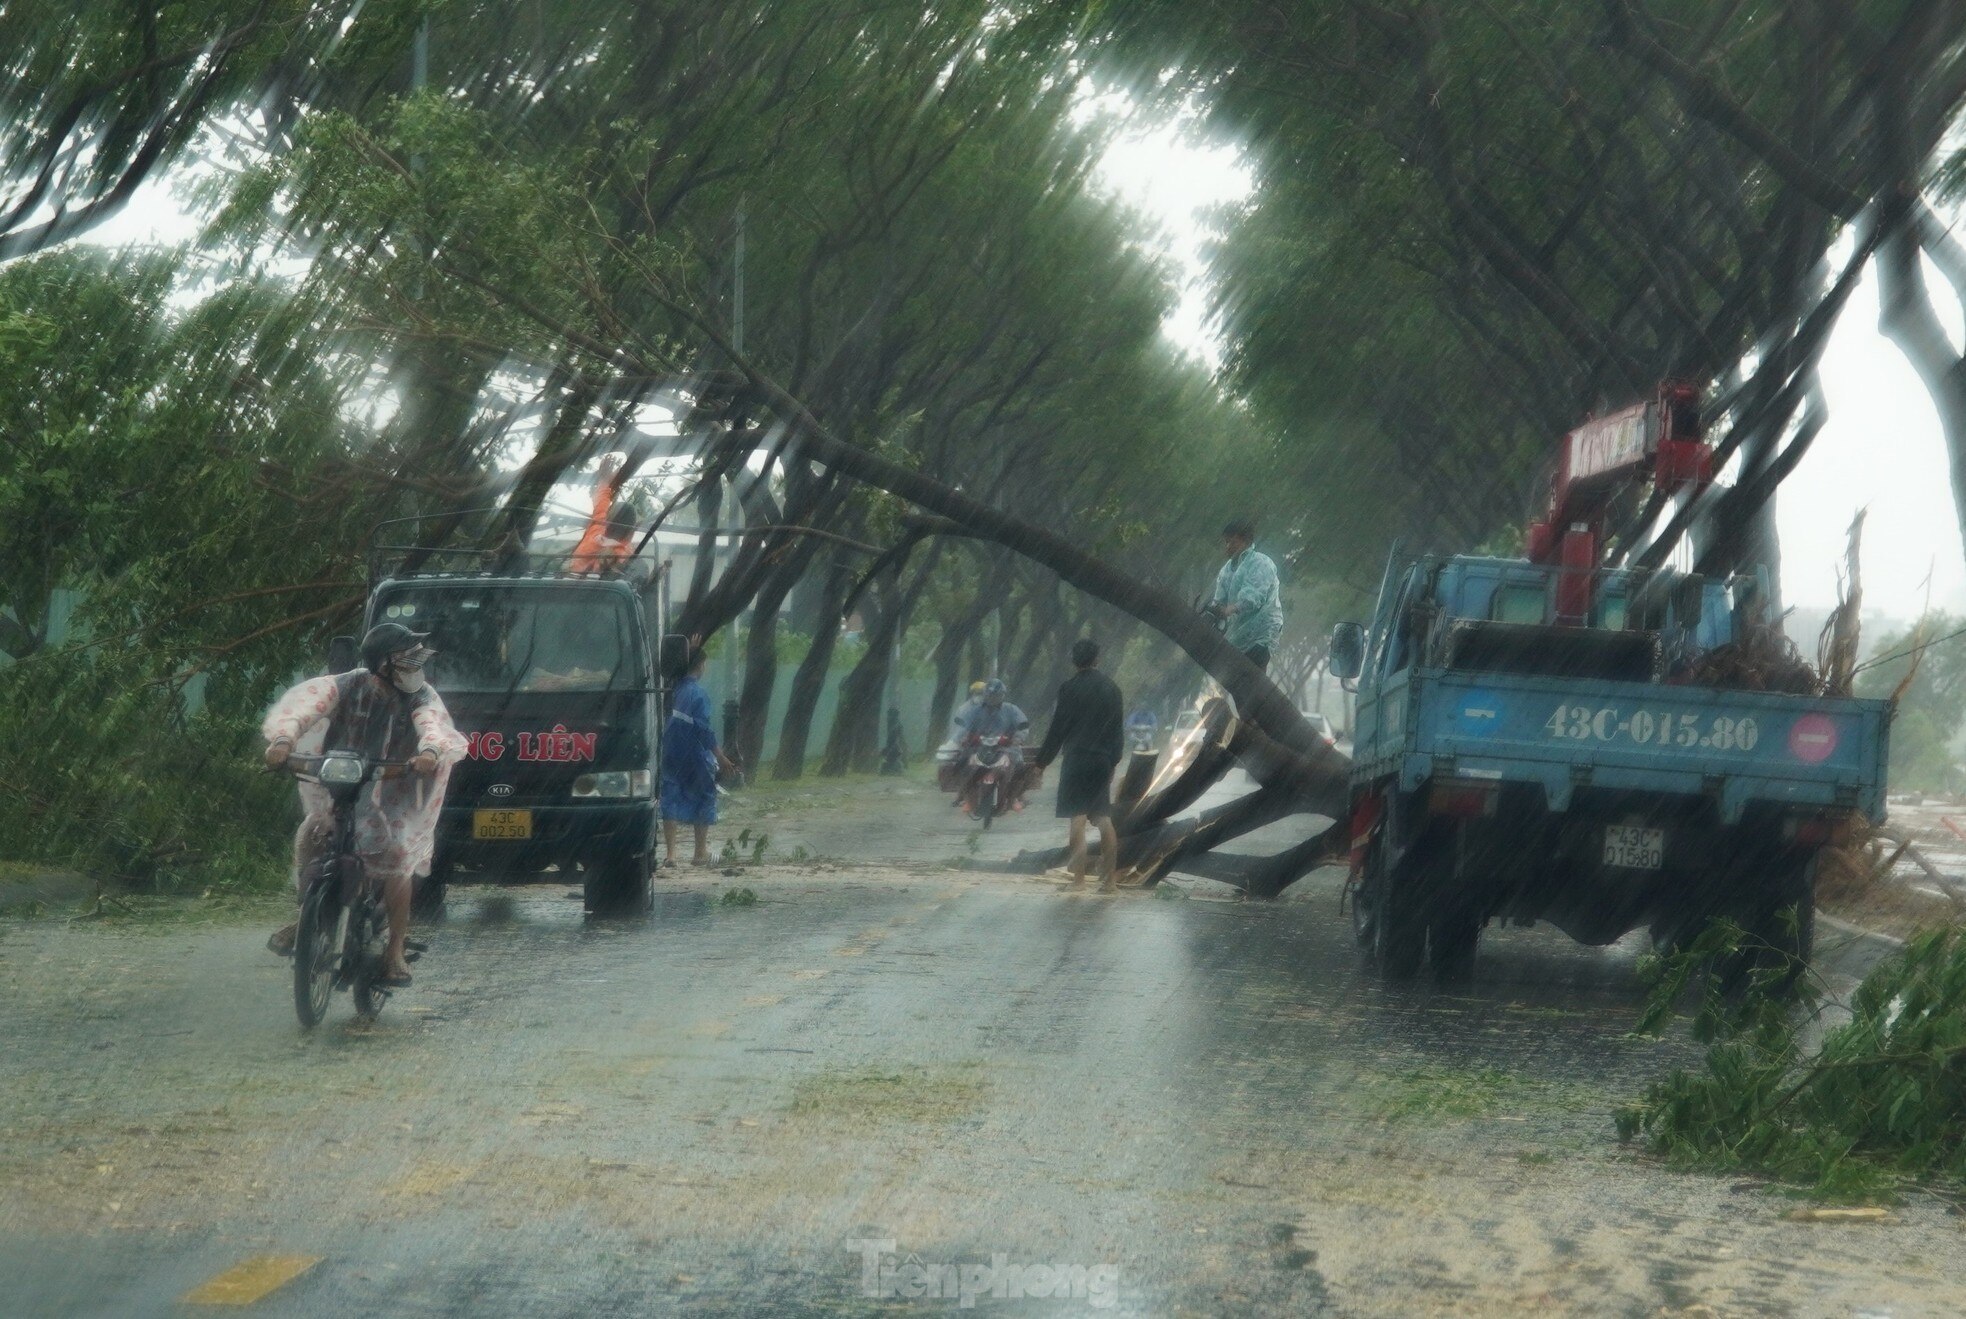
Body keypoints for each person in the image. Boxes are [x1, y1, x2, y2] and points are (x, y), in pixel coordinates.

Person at [262, 623, 468, 987]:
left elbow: (432, 724)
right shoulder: (345, 684)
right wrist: (283, 739)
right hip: (341, 781)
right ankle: (307, 915)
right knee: (312, 830)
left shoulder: (421, 695)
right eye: (405, 660)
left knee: (396, 856)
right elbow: (305, 706)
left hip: (396, 786)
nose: (414, 668)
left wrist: (430, 749)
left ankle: (395, 949)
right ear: (382, 663)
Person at [1033, 639, 1125, 889]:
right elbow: (1118, 731)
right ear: (1097, 659)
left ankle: (1079, 881)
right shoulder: (1112, 689)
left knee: (1077, 818)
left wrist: (1042, 762)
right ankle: (1109, 883)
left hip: (1076, 759)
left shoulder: (1069, 689)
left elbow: (1058, 729)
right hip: (1101, 760)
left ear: (1074, 661)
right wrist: (1113, 760)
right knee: (1104, 818)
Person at [661, 643, 736, 865]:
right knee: (704, 796)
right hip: (694, 753)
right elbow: (704, 730)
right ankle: (700, 853)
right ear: (701, 665)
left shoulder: (672, 690)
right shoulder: (698, 694)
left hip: (670, 751)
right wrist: (721, 758)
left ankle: (671, 855)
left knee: (670, 796)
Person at [1207, 517, 1284, 670]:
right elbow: (1219, 600)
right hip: (1238, 635)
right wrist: (1214, 610)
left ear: (1246, 541)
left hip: (1261, 633)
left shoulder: (1261, 563)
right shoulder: (1226, 570)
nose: (1228, 547)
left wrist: (1230, 609)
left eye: (1232, 542)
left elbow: (1254, 597)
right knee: (1239, 684)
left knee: (1252, 678)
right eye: (1226, 542)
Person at [956, 679, 1030, 810]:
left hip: (1006, 747)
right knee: (962, 763)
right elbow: (964, 726)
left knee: (1019, 766)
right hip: (977, 747)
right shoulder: (974, 710)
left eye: (996, 695)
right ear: (985, 695)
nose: (993, 698)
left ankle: (1013, 798)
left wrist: (1018, 738)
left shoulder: (1011, 709)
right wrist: (964, 736)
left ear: (1002, 695)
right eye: (990, 695)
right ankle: (967, 797)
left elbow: (1023, 726)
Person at [570, 453, 641, 574]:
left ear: (608, 522)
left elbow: (600, 507)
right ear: (631, 532)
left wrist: (604, 481)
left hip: (568, 586)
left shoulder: (596, 532)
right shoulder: (626, 555)